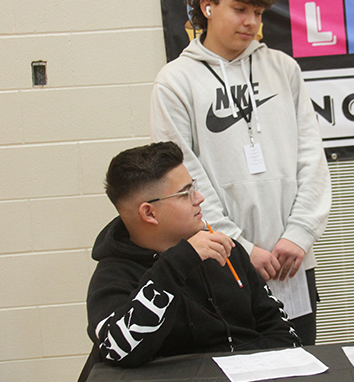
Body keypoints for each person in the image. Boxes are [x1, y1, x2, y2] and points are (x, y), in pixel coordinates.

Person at [151, 0, 331, 345]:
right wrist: (239, 247)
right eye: (239, 9)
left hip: (290, 261)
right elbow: (184, 179)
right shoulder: (175, 81)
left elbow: (312, 158)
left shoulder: (284, 69)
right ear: (208, 6)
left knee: (300, 374)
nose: (251, 21)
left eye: (258, 11)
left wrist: (299, 235)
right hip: (221, 261)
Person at [87, 141, 300, 368]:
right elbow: (120, 352)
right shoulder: (113, 276)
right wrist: (178, 262)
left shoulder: (224, 249)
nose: (199, 198)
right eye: (185, 193)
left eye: (194, 188)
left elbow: (281, 331)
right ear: (149, 213)